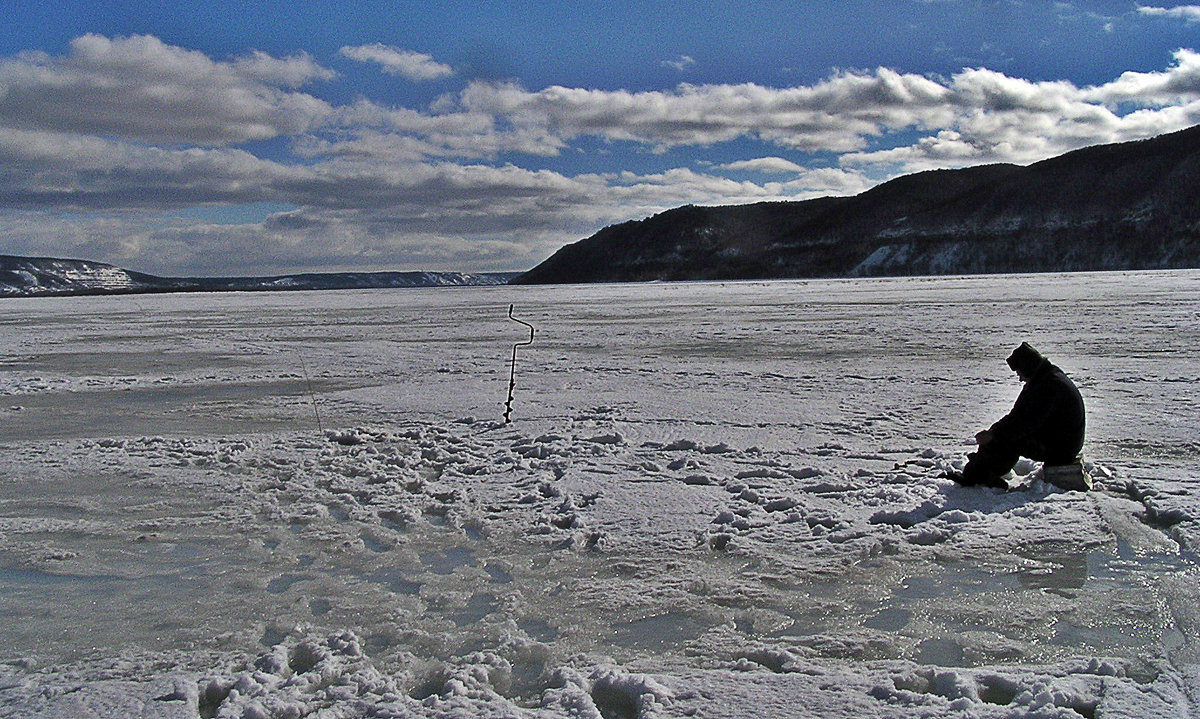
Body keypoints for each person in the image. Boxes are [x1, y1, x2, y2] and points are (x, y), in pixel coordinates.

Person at [948, 342, 1085, 489]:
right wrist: (993, 433)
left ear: (1027, 367)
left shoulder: (1049, 386)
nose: (1019, 378)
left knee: (1011, 438)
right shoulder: (1044, 378)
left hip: (1061, 449)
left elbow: (1025, 424)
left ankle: (982, 475)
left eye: (1019, 373)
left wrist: (994, 436)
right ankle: (980, 469)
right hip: (1059, 441)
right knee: (1002, 432)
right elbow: (1017, 415)